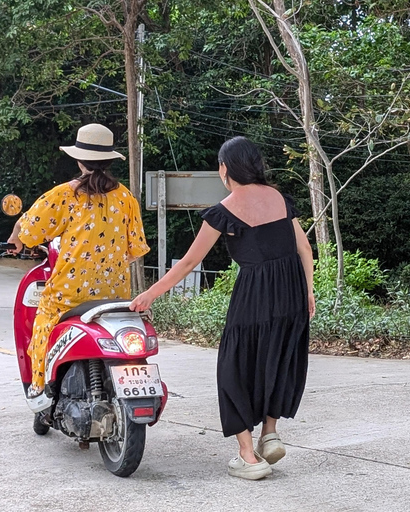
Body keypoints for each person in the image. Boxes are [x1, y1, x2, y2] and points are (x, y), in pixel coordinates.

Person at [129, 136, 315, 481]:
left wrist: (150, 293)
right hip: (291, 290)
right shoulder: (278, 198)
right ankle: (269, 432)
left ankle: (248, 455)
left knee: (233, 367)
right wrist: (308, 292)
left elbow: (188, 263)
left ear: (225, 168)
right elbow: (304, 248)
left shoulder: (225, 209)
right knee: (278, 357)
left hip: (255, 294)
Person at [7, 123, 149, 407]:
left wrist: (16, 241)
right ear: (109, 159)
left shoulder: (64, 194)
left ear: (78, 159)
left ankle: (41, 388)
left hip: (69, 294)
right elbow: (135, 249)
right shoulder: (125, 198)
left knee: (43, 322)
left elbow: (30, 228)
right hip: (114, 292)